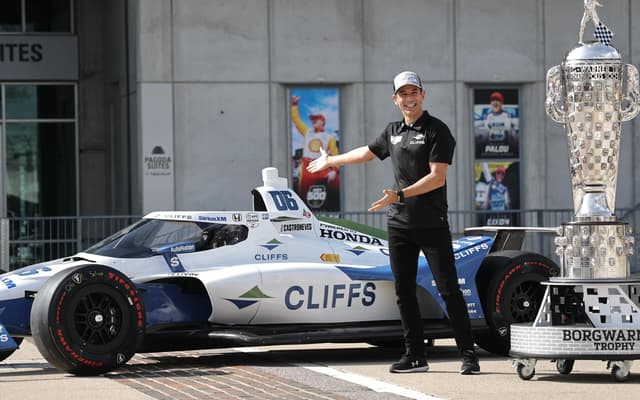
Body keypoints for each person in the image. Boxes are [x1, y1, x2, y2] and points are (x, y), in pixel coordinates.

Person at [307, 71, 480, 375]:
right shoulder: (392, 131)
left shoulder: (438, 130)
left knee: (449, 290)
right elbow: (367, 152)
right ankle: (415, 356)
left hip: (432, 223)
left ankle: (468, 355)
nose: (409, 99)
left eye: (414, 93)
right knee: (404, 291)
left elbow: (437, 177)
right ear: (395, 99)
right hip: (400, 225)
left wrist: (400, 194)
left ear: (422, 95)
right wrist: (332, 161)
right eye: (403, 94)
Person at [291, 96, 340, 209]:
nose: (313, 121)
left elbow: (336, 156)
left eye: (315, 119)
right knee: (303, 195)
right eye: (312, 120)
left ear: (322, 121)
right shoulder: (308, 132)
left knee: (324, 196)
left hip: (322, 167)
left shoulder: (329, 137)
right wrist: (294, 105)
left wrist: (335, 170)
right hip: (307, 168)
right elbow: (297, 121)